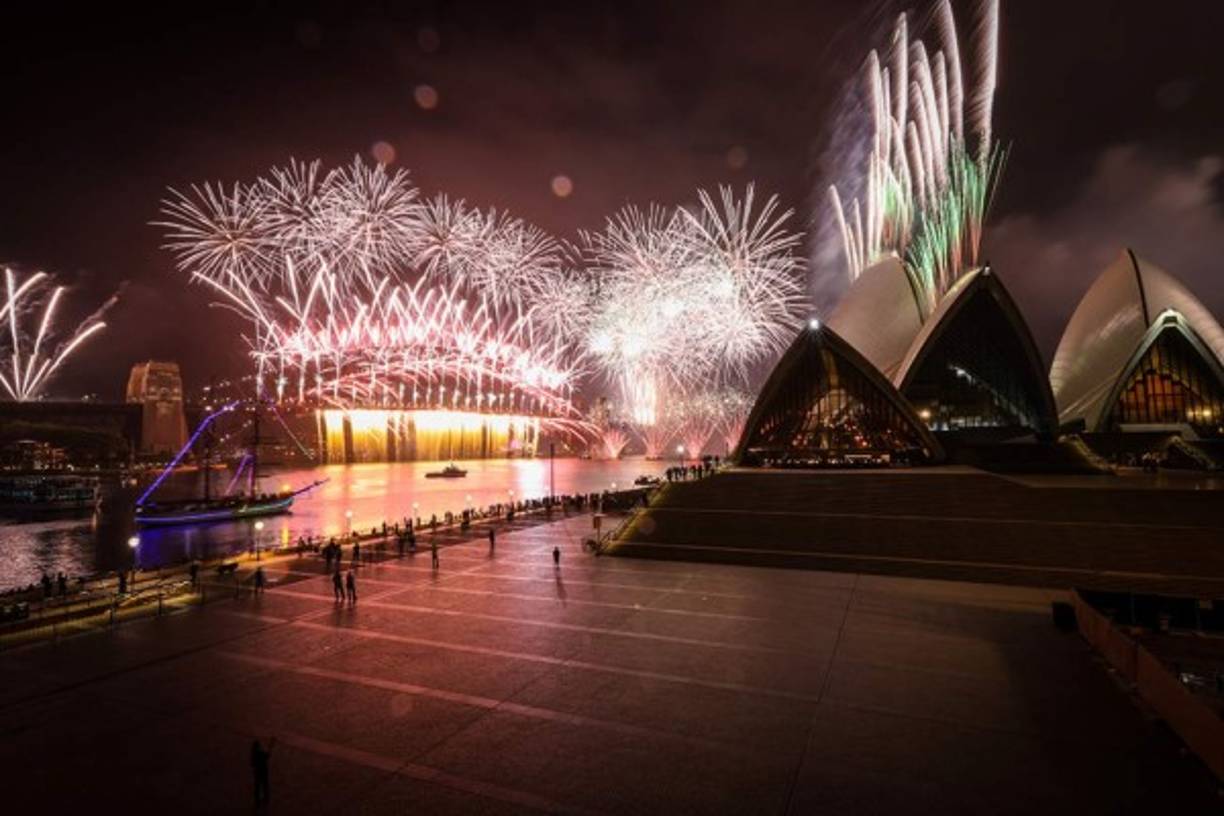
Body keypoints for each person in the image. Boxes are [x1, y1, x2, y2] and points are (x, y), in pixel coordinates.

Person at [250, 738, 274, 807]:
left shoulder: (253, 754)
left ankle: (257, 801)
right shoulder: (260, 753)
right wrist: (271, 745)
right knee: (264, 785)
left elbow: (252, 764)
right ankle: (265, 799)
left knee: (257, 787)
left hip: (257, 773)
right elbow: (267, 755)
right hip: (263, 772)